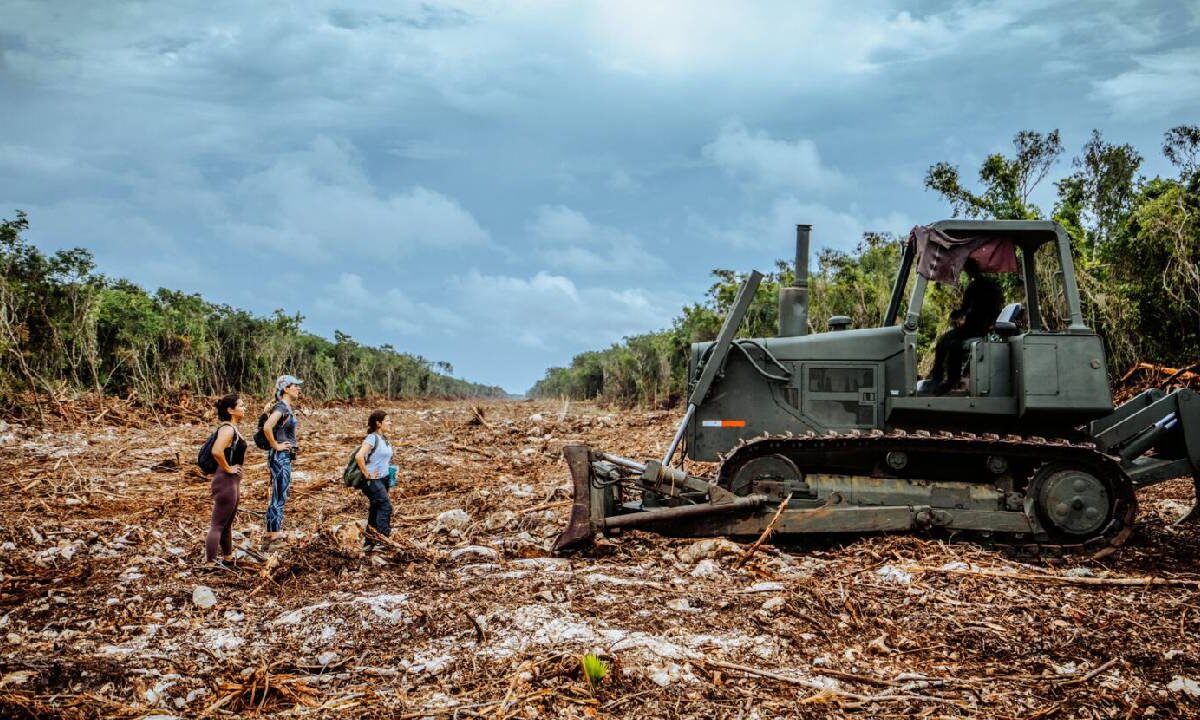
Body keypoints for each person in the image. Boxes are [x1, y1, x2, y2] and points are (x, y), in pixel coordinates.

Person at [929, 259, 1003, 394]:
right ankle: (939, 378)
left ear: (970, 271)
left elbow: (966, 309)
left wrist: (956, 314)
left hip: (976, 327)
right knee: (944, 341)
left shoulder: (976, 287)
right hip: (980, 325)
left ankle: (948, 379)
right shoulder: (991, 285)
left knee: (950, 343)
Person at [206, 394, 247, 569]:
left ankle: (228, 558)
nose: (244, 408)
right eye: (241, 405)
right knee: (217, 524)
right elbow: (217, 451)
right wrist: (228, 468)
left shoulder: (232, 428)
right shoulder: (227, 429)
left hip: (231, 480)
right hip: (225, 479)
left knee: (227, 523)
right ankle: (210, 563)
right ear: (231, 410)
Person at [262, 374, 302, 549]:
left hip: (282, 457)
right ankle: (273, 536)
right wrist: (276, 446)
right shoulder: (282, 408)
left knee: (279, 495)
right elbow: (267, 426)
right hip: (279, 457)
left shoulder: (285, 407)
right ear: (286, 389)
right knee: (279, 496)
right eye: (295, 386)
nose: (299, 389)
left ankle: (271, 533)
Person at [355, 410, 394, 548]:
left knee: (375, 508)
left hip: (383, 479)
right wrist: (367, 474)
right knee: (385, 507)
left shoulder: (384, 439)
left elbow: (382, 458)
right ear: (378, 423)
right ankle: (384, 540)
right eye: (387, 420)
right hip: (372, 481)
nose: (390, 423)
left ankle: (369, 542)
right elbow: (359, 456)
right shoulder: (372, 438)